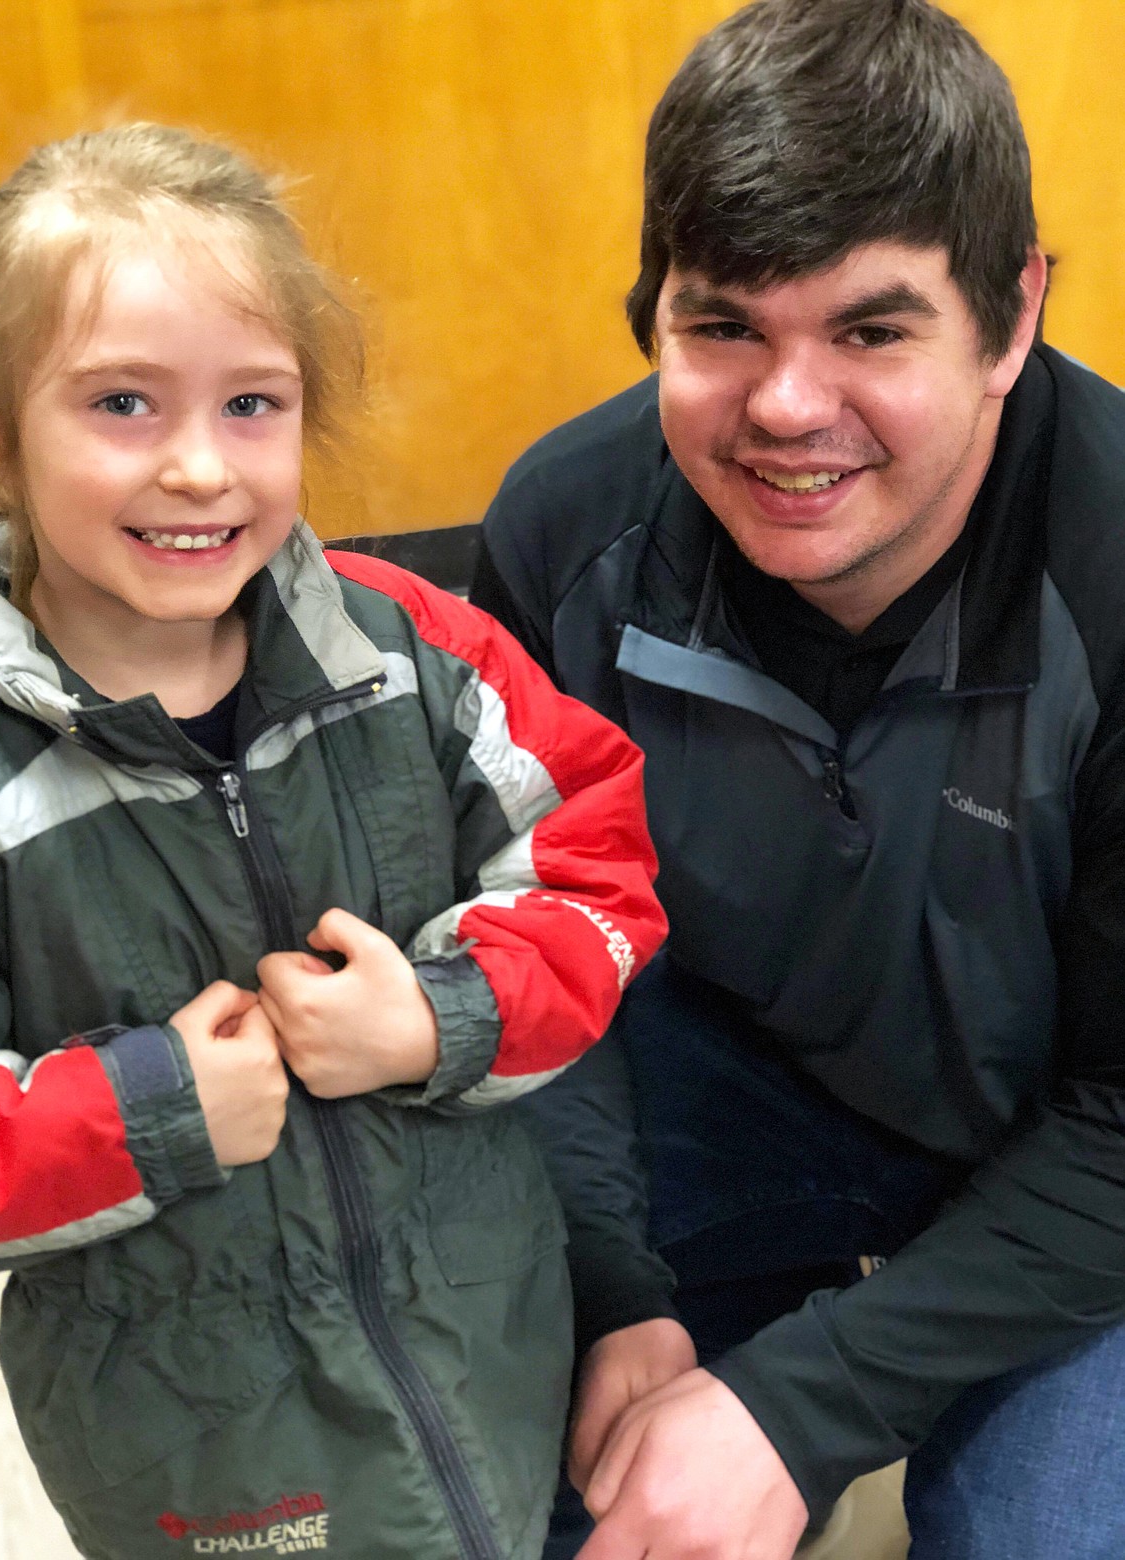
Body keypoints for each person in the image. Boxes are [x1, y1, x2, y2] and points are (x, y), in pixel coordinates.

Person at [0, 124, 667, 1560]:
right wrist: (148, 1111)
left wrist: (436, 1013)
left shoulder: (412, 650)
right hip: (188, 1424)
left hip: (486, 1322)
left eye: (252, 405)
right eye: (122, 405)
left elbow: (595, 868)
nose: (200, 469)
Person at [470, 1, 1125, 1556]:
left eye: (871, 330)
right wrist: (613, 1281)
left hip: (1072, 1138)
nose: (782, 406)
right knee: (493, 1480)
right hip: (738, 1080)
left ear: (1011, 316)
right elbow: (536, 960)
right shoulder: (561, 534)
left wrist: (799, 1406)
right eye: (723, 327)